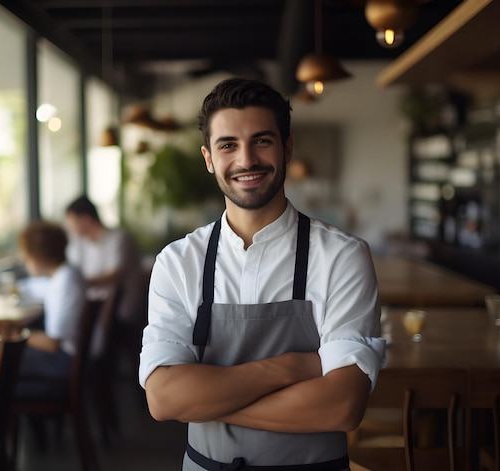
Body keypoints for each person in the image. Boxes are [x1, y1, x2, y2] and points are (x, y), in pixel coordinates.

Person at [139, 77, 386, 470]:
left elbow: (342, 406)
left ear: (287, 148)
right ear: (209, 158)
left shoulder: (342, 256)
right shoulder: (177, 262)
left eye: (262, 140)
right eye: (228, 145)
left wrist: (207, 403)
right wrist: (292, 367)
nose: (246, 159)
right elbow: (164, 399)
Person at [65, 195, 146, 367]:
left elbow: (116, 275)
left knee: (69, 330)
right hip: (95, 309)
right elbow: (70, 270)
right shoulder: (79, 243)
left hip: (122, 312)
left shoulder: (120, 238)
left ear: (85, 219)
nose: (70, 228)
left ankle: (82, 371)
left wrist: (79, 283)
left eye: (71, 222)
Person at [15, 220, 86, 395]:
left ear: (40, 255)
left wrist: (15, 334)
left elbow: (52, 343)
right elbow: (37, 286)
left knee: (2, 361)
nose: (24, 260)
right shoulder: (65, 275)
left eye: (27, 256)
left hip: (64, 360)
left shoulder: (64, 282)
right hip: (74, 356)